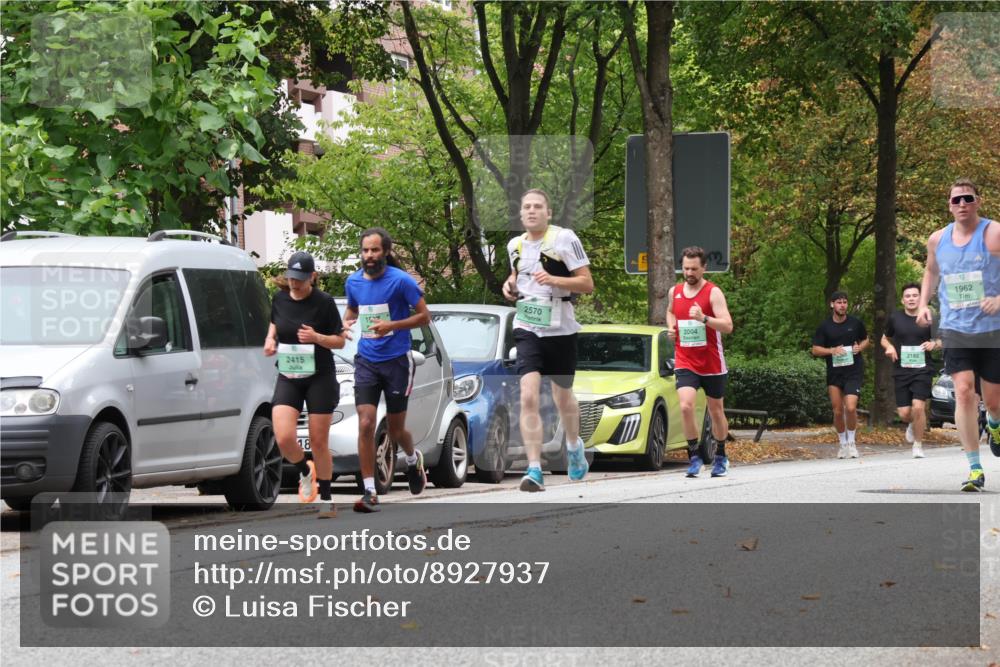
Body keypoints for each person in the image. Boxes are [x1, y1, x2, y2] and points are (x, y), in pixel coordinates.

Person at [502, 188, 594, 492]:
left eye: (537, 206)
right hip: (528, 327)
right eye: (526, 206)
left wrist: (554, 279)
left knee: (562, 398)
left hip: (561, 329)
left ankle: (573, 445)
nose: (531, 211)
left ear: (548, 212)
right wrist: (510, 285)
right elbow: (517, 276)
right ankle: (534, 469)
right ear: (520, 213)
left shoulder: (564, 239)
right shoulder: (514, 245)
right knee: (527, 396)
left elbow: (586, 283)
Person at [917, 178, 1000, 491]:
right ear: (949, 205)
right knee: (964, 391)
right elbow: (931, 271)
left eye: (968, 198)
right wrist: (924, 303)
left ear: (978, 201)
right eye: (956, 200)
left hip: (992, 330)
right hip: (955, 328)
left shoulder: (993, 234)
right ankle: (975, 468)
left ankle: (994, 424)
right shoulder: (938, 240)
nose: (962, 204)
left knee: (993, 402)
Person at [344, 228, 431, 512]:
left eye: (375, 250)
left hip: (396, 361)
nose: (369, 256)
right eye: (365, 250)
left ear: (386, 251)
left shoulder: (401, 281)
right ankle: (369, 490)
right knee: (366, 422)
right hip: (367, 359)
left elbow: (424, 316)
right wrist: (346, 323)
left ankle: (411, 457)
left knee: (395, 430)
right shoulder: (353, 282)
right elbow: (353, 310)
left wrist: (391, 326)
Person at [264, 251, 349, 514]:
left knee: (318, 440)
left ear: (312, 277)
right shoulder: (279, 299)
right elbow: (274, 324)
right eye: (291, 277)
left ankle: (326, 498)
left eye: (300, 279)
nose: (295, 283)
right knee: (284, 436)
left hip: (319, 375)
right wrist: (270, 340)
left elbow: (340, 340)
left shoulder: (323, 302)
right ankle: (304, 470)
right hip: (289, 374)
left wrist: (316, 337)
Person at [666, 246, 734, 478]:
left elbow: (727, 325)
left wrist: (703, 318)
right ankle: (694, 457)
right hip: (685, 358)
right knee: (685, 406)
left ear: (704, 268)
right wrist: (671, 328)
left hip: (711, 361)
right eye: (685, 268)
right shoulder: (674, 291)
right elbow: (671, 312)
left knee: (716, 411)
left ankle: (721, 456)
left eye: (694, 269)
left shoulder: (713, 293)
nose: (689, 273)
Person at [880, 282, 940, 458]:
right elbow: (884, 339)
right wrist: (889, 348)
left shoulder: (929, 318)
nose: (911, 299)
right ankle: (912, 424)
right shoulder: (895, 318)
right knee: (905, 413)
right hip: (902, 370)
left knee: (918, 407)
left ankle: (918, 445)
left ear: (920, 298)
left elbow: (943, 339)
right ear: (902, 300)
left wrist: (933, 344)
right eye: (908, 296)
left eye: (915, 295)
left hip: (923, 369)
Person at [811, 291, 870, 458]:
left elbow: (866, 339)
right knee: (837, 411)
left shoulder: (855, 323)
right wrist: (831, 350)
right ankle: (842, 443)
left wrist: (861, 347)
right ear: (832, 304)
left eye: (845, 302)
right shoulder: (825, 327)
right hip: (835, 372)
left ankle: (851, 442)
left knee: (850, 407)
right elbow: (815, 349)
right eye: (839, 302)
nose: (842, 305)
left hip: (853, 370)